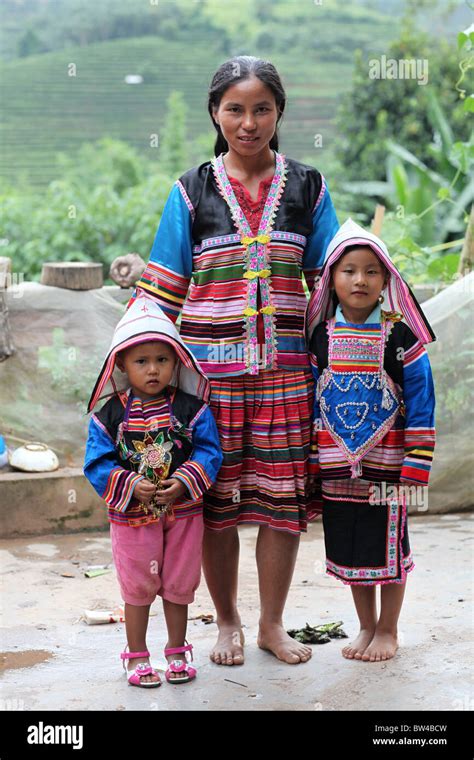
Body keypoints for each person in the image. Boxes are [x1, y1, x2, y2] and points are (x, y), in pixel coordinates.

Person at [128, 55, 340, 666]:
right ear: (215, 114)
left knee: (281, 506)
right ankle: (226, 623)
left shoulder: (307, 187)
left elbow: (330, 283)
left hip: (286, 381)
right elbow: (162, 292)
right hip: (208, 386)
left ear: (279, 113)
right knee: (215, 508)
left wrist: (365, 351)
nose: (248, 123)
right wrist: (140, 378)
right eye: (235, 110)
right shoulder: (190, 192)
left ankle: (272, 624)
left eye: (262, 109)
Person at [307, 218, 436, 662]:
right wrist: (310, 461)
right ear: (331, 279)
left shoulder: (401, 337)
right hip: (337, 466)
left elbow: (421, 399)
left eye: (371, 271)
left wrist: (416, 463)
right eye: (348, 271)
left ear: (386, 280)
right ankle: (364, 625)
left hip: (388, 467)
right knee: (352, 547)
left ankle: (389, 629)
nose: (359, 280)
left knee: (388, 545)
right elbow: (311, 401)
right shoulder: (320, 337)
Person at [83, 296, 223, 687]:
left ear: (176, 362)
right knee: (139, 584)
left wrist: (183, 482)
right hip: (131, 518)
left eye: (162, 359)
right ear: (122, 366)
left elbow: (211, 452)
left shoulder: (193, 409)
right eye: (141, 361)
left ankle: (177, 652)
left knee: (180, 581)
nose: (152, 369)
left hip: (184, 514)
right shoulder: (108, 416)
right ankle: (136, 657)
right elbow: (96, 464)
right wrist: (131, 484)